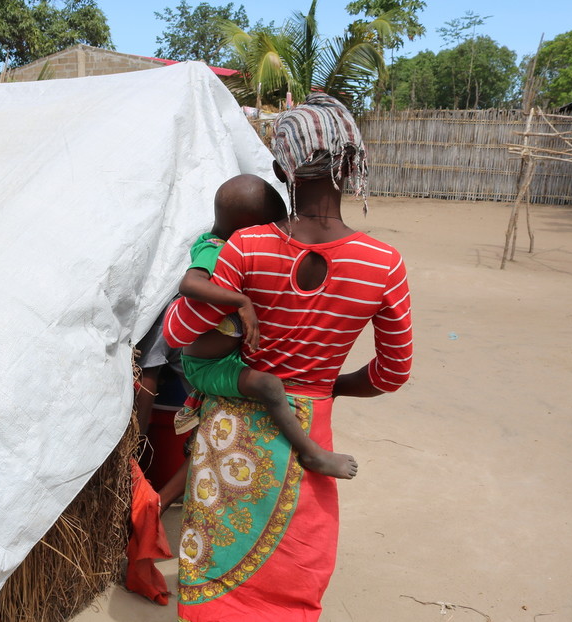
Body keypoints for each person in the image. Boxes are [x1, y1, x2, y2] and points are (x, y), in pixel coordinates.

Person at [163, 93, 413, 621]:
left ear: (282, 171)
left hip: (229, 435)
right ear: (353, 164)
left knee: (217, 581)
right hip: (309, 432)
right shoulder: (384, 264)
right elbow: (393, 372)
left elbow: (179, 332)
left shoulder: (245, 246)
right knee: (293, 583)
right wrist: (327, 387)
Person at [175, 174, 358, 482]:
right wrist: (242, 301)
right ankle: (311, 452)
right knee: (269, 386)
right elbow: (190, 284)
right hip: (206, 364)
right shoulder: (212, 248)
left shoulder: (234, 247)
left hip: (226, 354)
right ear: (248, 229)